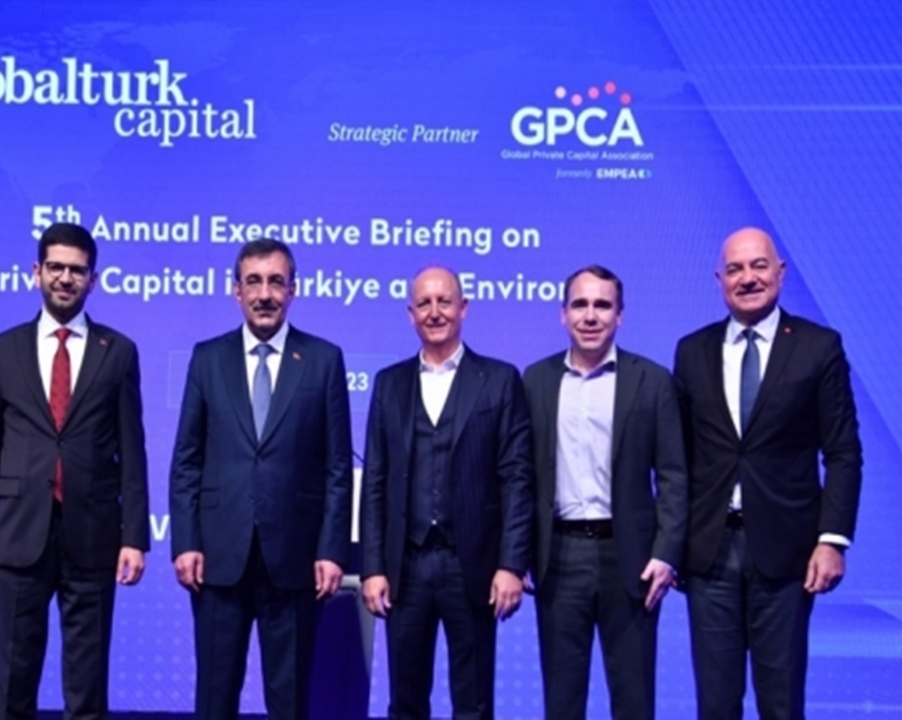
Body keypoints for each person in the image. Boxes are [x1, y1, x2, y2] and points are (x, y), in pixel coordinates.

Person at [0, 223, 149, 720]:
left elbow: (133, 453)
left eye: (77, 270)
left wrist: (134, 538)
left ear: (93, 279)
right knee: (14, 684)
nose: (66, 278)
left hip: (93, 535)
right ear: (36, 272)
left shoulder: (118, 351)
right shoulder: (5, 349)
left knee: (87, 688)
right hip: (19, 534)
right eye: (56, 267)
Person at [674, 227, 862, 719]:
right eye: (735, 269)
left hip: (787, 555)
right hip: (709, 554)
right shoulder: (692, 351)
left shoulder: (818, 347)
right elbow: (678, 461)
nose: (748, 278)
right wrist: (671, 546)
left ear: (780, 272)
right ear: (719, 279)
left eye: (759, 265)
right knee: (715, 706)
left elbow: (843, 452)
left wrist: (832, 540)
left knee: (780, 705)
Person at [169, 238, 353, 720]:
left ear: (293, 289)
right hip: (217, 559)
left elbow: (337, 467)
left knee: (289, 702)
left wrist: (331, 550)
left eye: (276, 282)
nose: (265, 294)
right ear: (236, 291)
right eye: (254, 282)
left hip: (294, 558)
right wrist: (185, 542)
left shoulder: (323, 359)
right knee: (214, 700)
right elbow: (187, 458)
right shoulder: (208, 358)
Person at [359, 266, 533, 720]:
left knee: (473, 704)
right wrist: (373, 568)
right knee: (405, 703)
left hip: (472, 566)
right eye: (424, 303)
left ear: (463, 308)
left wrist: (512, 565)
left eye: (444, 301)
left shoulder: (499, 379)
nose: (434, 312)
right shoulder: (389, 384)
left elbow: (517, 479)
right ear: (410, 313)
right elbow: (375, 481)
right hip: (406, 567)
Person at [523, 265, 687, 720]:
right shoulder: (536, 381)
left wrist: (666, 553)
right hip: (558, 558)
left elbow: (674, 475)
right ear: (563, 314)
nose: (590, 316)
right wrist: (516, 555)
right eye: (580, 305)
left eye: (602, 305)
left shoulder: (652, 380)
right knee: (562, 704)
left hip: (630, 560)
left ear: (620, 315)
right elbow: (519, 477)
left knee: (634, 702)